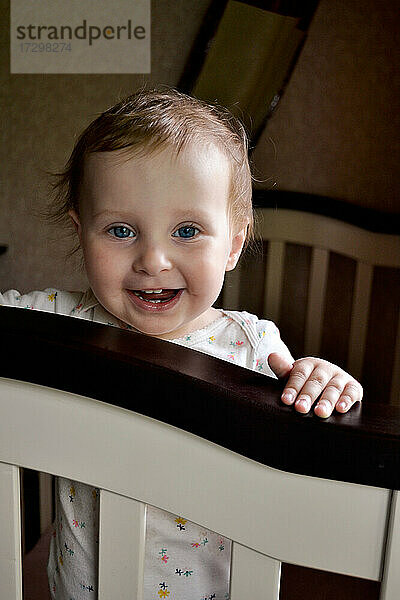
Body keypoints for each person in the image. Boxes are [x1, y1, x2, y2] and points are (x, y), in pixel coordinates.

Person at [1, 87, 363, 600]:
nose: (153, 260)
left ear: (234, 245)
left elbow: (313, 400)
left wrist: (326, 380)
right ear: (82, 234)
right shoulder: (61, 324)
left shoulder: (249, 346)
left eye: (187, 230)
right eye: (121, 230)